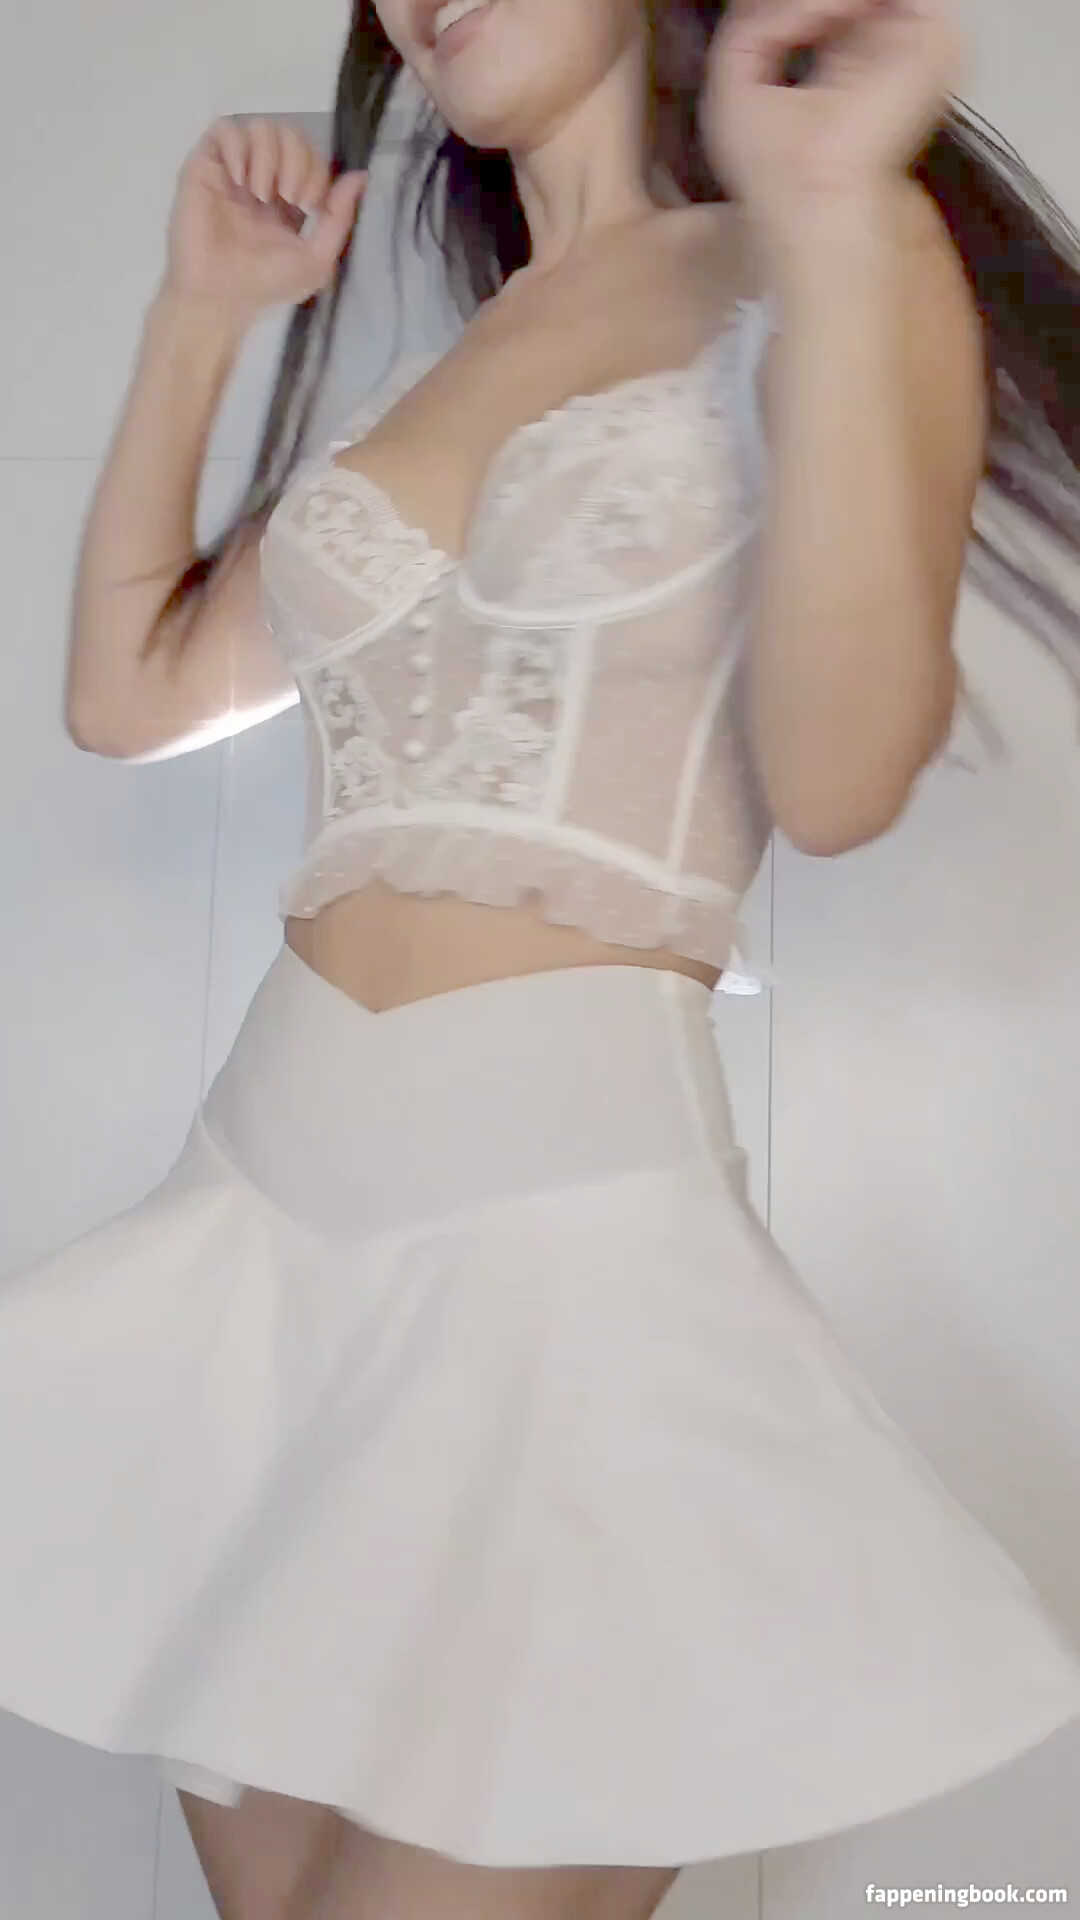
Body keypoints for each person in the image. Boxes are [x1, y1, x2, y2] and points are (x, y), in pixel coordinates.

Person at [3, 2, 1080, 1917]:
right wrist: (201, 315)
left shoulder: (817, 248)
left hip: (567, 1274)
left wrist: (836, 226)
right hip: (261, 1249)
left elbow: (839, 780)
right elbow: (133, 694)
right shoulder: (448, 358)